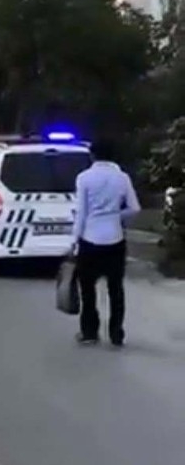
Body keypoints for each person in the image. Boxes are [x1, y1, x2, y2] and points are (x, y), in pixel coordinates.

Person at [72, 138, 141, 347]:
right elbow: (135, 208)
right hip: (115, 238)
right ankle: (116, 333)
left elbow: (82, 213)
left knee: (88, 289)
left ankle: (90, 332)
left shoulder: (84, 178)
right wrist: (117, 216)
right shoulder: (122, 178)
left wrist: (75, 240)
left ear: (92, 155)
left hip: (90, 239)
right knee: (116, 289)